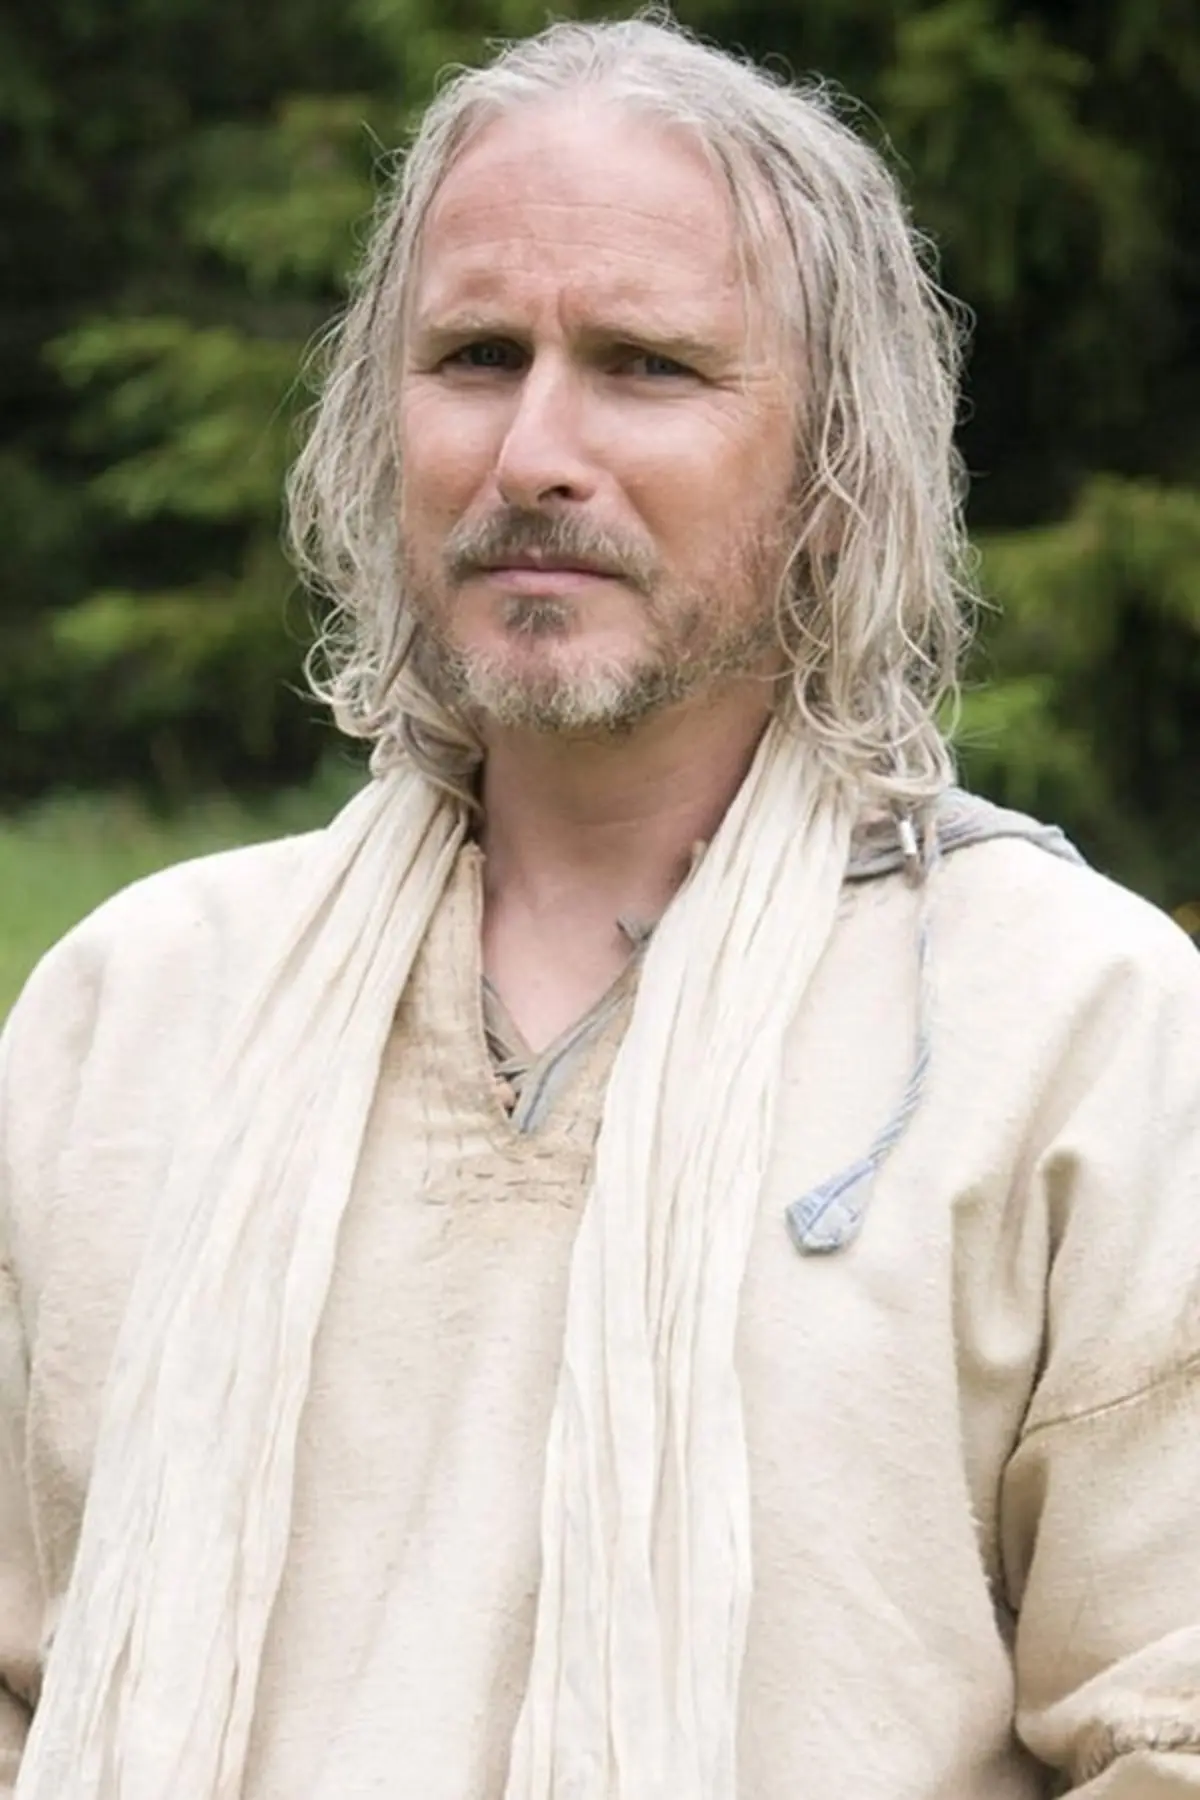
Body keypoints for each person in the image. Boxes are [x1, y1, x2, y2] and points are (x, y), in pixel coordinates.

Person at [1, 14, 1198, 1799]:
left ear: (836, 462)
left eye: (647, 365)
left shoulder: (1072, 1029)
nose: (535, 451)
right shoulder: (140, 1009)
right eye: (478, 356)